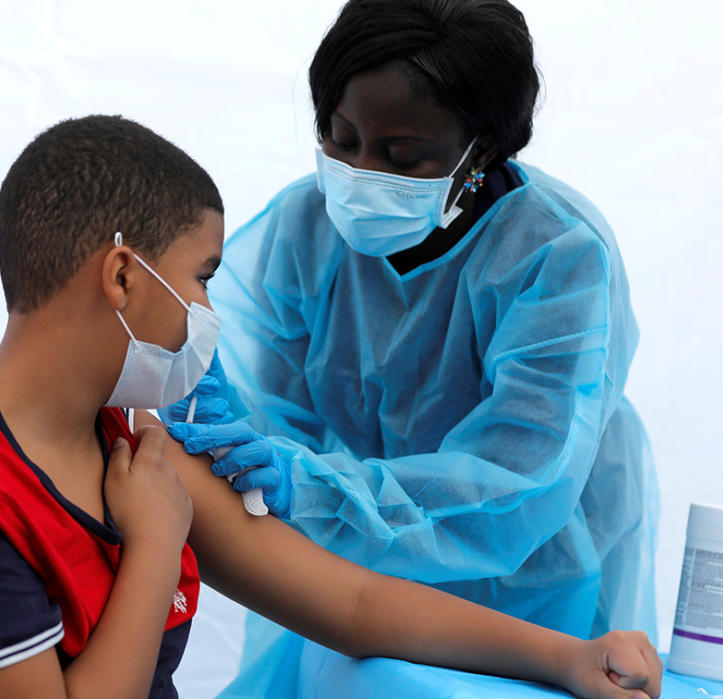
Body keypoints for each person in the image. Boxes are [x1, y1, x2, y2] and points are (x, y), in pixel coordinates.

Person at [0, 115, 662, 699]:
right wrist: (156, 543)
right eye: (200, 279)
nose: (210, 315)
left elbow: (353, 604)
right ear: (122, 278)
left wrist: (570, 657)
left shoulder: (128, 438)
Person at [162, 0, 659, 693]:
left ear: (480, 152)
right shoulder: (306, 228)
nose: (359, 172)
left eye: (403, 156)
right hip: (347, 565)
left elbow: (514, 487)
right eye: (339, 138)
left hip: (527, 572)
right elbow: (257, 411)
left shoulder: (557, 256)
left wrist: (309, 486)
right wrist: (250, 448)